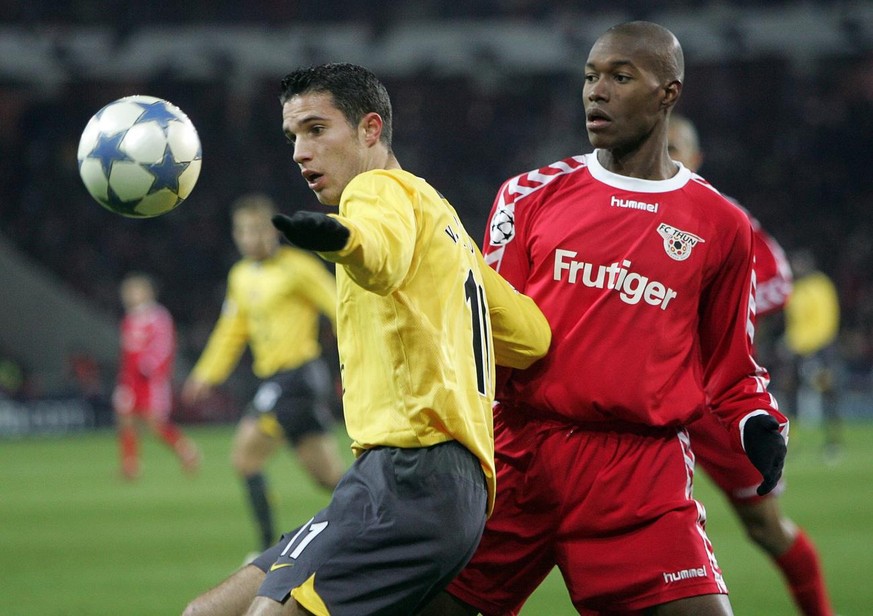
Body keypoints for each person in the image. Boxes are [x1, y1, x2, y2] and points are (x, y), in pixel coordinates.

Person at [420, 21, 789, 616]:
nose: (597, 91)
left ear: (668, 93)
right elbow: (483, 331)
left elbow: (731, 364)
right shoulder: (527, 196)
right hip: (520, 457)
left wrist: (758, 420)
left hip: (640, 472)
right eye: (591, 77)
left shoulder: (721, 224)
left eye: (621, 77)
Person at [181, 63, 551, 616]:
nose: (299, 153)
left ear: (370, 129)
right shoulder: (443, 221)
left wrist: (346, 240)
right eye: (292, 137)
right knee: (207, 612)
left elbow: (380, 254)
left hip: (411, 475)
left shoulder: (373, 192)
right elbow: (531, 335)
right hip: (435, 489)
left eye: (315, 129)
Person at [668, 114, 835, 616]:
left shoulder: (722, 216)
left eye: (675, 148)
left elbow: (779, 279)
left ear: (696, 160)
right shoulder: (617, 206)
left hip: (714, 403)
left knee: (765, 527)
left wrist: (725, 308)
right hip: (645, 399)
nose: (666, 156)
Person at [181, 193, 347, 554]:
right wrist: (205, 375)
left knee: (245, 457)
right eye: (241, 230)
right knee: (330, 478)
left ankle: (265, 548)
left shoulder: (298, 267)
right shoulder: (240, 276)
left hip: (296, 377)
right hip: (279, 382)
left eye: (256, 229)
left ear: (273, 231)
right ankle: (385, 520)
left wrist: (355, 348)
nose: (249, 237)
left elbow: (338, 304)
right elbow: (232, 330)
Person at [113, 272, 200, 480]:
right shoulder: (129, 319)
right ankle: (130, 465)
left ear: (148, 293)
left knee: (154, 424)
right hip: (130, 380)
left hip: (151, 380)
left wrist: (151, 367)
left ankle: (186, 449)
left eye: (135, 290)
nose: (130, 295)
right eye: (128, 291)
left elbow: (164, 346)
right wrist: (123, 380)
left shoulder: (158, 317)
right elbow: (126, 354)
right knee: (125, 419)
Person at [783, 248, 843, 461]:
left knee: (829, 392)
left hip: (820, 348)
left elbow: (825, 321)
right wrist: (790, 344)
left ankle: (833, 442)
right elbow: (795, 323)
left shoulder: (820, 285)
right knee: (789, 391)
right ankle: (791, 440)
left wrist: (809, 345)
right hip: (798, 350)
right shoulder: (795, 289)